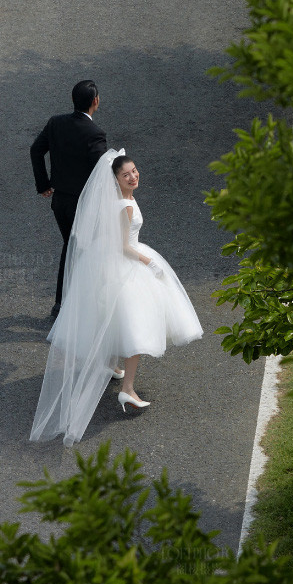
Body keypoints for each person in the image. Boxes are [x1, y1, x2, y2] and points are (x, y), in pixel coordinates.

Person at [30, 150, 203, 447]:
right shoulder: (125, 206)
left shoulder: (121, 201)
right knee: (136, 327)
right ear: (116, 180)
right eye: (127, 175)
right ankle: (128, 389)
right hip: (128, 264)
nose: (133, 177)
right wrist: (150, 263)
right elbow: (124, 246)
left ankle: (111, 365)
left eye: (135, 171)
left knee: (115, 320)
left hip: (111, 266)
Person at [30, 79, 107, 315]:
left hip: (60, 203)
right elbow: (101, 172)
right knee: (87, 251)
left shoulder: (56, 123)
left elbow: (36, 150)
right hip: (83, 206)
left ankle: (61, 304)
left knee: (71, 247)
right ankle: (80, 308)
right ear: (95, 101)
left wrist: (44, 184)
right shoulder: (95, 134)